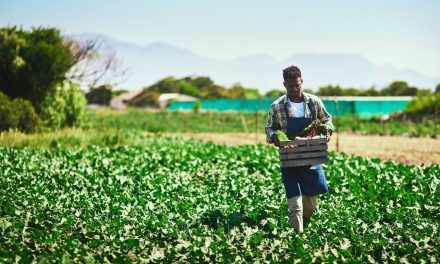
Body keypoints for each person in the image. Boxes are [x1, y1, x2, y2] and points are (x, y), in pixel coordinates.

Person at [265, 65, 334, 233]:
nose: (294, 89)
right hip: (290, 159)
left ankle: (306, 223)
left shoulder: (314, 102)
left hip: (311, 158)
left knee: (310, 205)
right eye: (290, 86)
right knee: (295, 204)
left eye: (297, 85)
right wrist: (274, 137)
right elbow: (269, 128)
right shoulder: (277, 106)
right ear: (284, 85)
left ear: (302, 81)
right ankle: (298, 235)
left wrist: (327, 131)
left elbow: (327, 120)